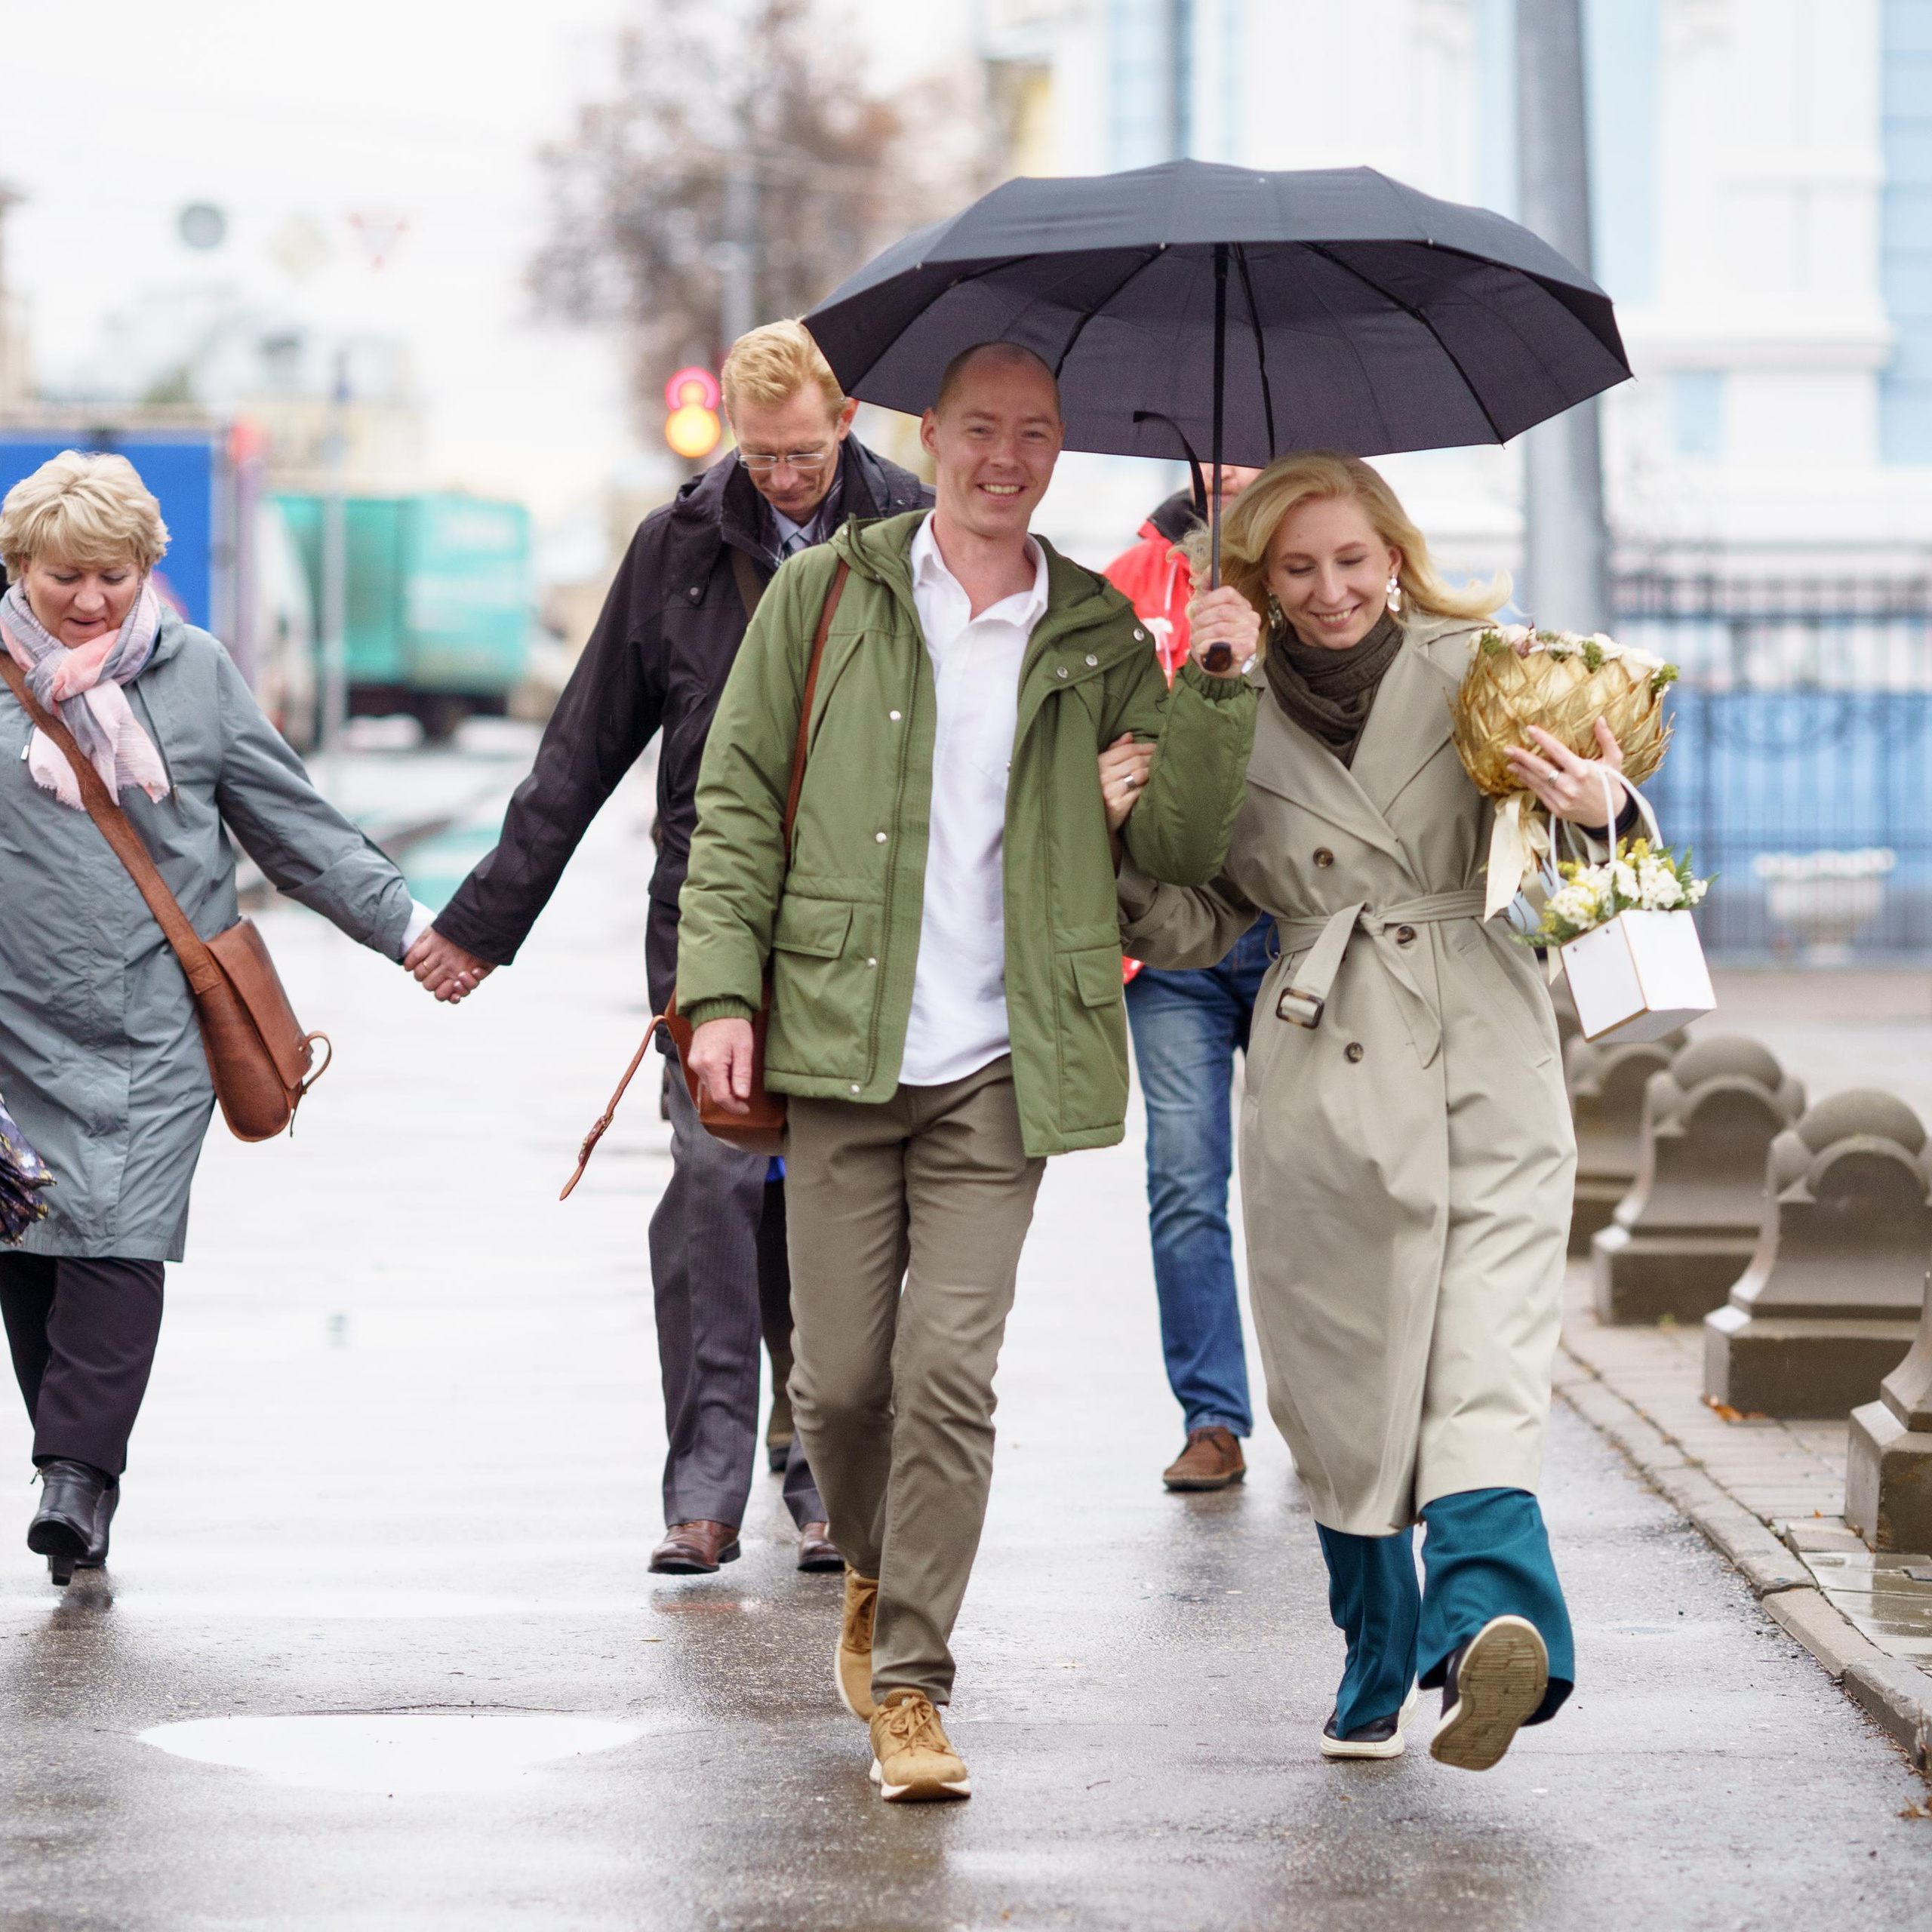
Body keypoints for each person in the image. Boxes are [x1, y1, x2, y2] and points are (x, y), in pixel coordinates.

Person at [675, 341, 1260, 1803]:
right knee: (836, 1380)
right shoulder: (828, 595)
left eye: (1036, 433)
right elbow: (733, 798)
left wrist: (1215, 681)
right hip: (836, 1038)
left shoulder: (1096, 630)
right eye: (980, 429)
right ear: (926, 435)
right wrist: (717, 994)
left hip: (1004, 1051)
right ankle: (878, 1565)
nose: (1006, 457)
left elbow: (1179, 851)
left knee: (946, 1369)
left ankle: (914, 1679)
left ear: (1060, 451)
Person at [1115, 451, 1635, 1772]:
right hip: (1322, 1062)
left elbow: (1586, 843)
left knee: (1485, 1350)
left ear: (1395, 555)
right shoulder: (1213, 705)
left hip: (1484, 1044)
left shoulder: (1487, 668)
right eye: (1298, 568)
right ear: (1257, 584)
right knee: (1348, 1385)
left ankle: (1487, 1631)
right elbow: (1195, 919)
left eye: (1354, 559)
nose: (1333, 589)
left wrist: (1600, 805)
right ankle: (1375, 1645)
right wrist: (1117, 833)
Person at [411, 321, 930, 1577]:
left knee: (825, 1195)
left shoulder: (914, 532)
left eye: (801, 454)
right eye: (759, 458)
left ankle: (816, 1474)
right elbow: (583, 749)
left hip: (866, 927)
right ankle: (704, 1483)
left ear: (847, 416)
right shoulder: (677, 545)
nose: (782, 478)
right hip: (713, 921)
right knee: (712, 1182)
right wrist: (482, 925)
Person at [0, 451, 435, 1582]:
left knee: (120, 1236)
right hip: (16, 1031)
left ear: (147, 569)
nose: (90, 600)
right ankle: (75, 1458)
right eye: (64, 579)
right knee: (35, 1243)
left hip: (157, 1029)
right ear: (20, 569)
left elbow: (294, 824)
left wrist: (408, 931)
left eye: (113, 575)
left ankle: (76, 1479)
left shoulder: (194, 674)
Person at [1104, 466, 1272, 1492]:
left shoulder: (1318, 573)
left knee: (1321, 1182)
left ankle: (1336, 1403)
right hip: (1173, 938)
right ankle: (1212, 1416)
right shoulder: (1129, 579)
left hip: (1296, 924)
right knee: (1183, 1181)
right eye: (1218, 456)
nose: (1231, 473)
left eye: (1255, 452)